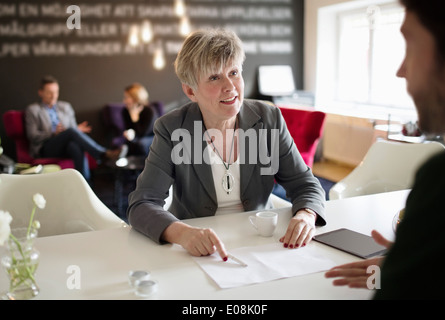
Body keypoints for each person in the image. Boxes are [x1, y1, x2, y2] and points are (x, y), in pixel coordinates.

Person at [127, 28, 326, 260]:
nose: (230, 86)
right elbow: (142, 204)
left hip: (261, 242)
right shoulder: (172, 128)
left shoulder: (269, 118)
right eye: (214, 77)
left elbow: (305, 183)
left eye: (233, 72)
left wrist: (306, 214)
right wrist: (183, 234)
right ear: (191, 90)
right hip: (196, 250)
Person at [325, 0, 445, 299]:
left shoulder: (440, 181)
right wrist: (425, 268)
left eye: (410, 45)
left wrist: (405, 278)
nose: (400, 71)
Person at [25, 75, 124, 181]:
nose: (53, 96)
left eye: (56, 92)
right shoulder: (33, 110)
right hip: (45, 147)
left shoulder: (65, 107)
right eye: (49, 92)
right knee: (72, 132)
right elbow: (32, 135)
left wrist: (75, 130)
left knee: (75, 146)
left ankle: (85, 185)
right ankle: (102, 153)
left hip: (66, 144)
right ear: (41, 92)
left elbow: (71, 129)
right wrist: (53, 133)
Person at [121, 83, 158, 156]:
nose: (124, 101)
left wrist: (134, 118)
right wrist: (128, 133)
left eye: (126, 97)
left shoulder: (149, 111)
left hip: (152, 136)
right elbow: (129, 128)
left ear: (136, 98)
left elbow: (143, 133)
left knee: (141, 143)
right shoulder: (125, 111)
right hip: (137, 136)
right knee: (129, 143)